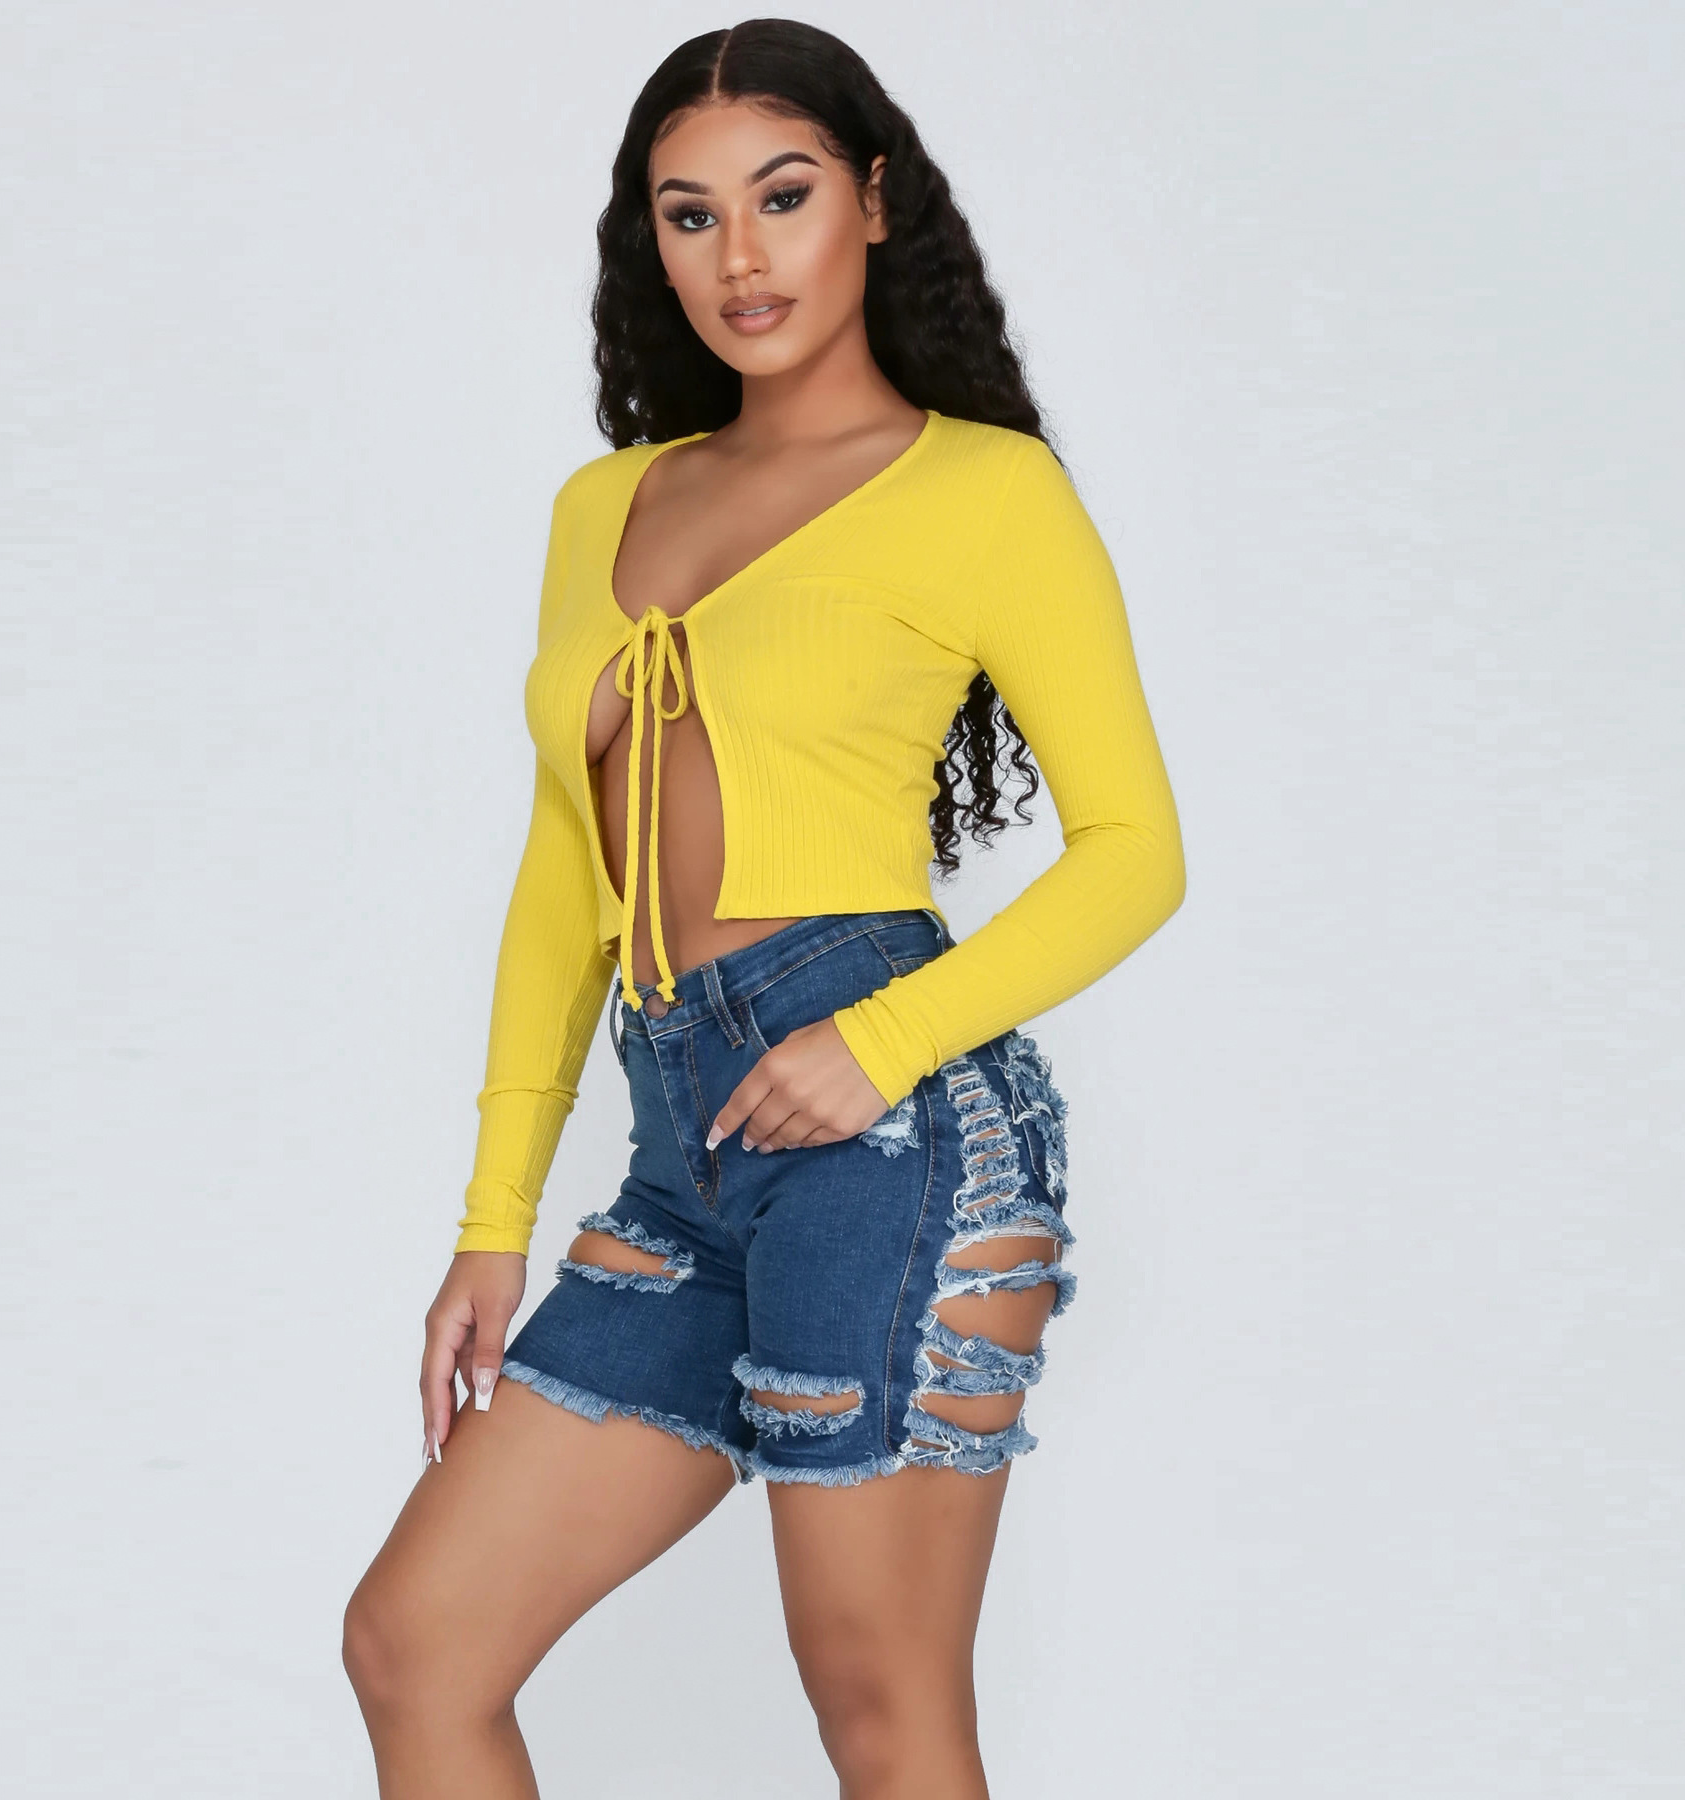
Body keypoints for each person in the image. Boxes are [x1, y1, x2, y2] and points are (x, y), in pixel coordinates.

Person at [342, 20, 1186, 1798]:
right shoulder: (606, 504)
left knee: (879, 1706)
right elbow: (566, 879)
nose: (740, 255)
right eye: (690, 213)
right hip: (680, 1149)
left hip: (893, 1132)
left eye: (782, 197)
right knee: (417, 1648)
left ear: (874, 200)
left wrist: (878, 1041)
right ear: (650, 243)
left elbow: (1136, 850)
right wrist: (494, 1222)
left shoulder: (985, 489)